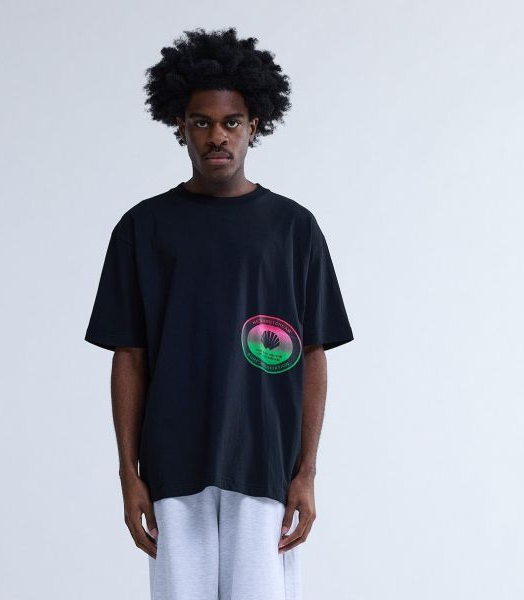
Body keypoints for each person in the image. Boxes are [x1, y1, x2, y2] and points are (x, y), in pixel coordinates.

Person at [84, 26, 354, 600]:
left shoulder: (293, 229)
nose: (217, 136)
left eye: (231, 122)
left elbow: (313, 353)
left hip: (265, 465)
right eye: (201, 122)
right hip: (173, 464)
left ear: (255, 124)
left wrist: (306, 473)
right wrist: (129, 475)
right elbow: (128, 356)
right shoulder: (143, 228)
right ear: (179, 126)